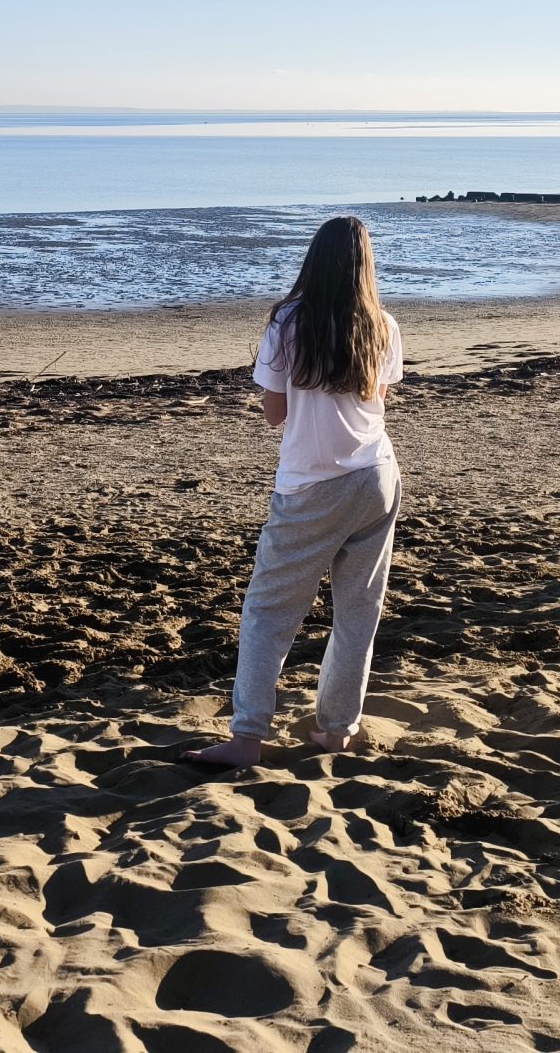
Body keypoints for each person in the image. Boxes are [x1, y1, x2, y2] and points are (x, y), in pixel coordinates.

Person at [184, 215, 404, 770]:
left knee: (268, 611)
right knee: (358, 610)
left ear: (314, 259)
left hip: (311, 483)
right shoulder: (382, 324)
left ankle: (247, 737)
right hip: (376, 474)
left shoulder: (288, 321)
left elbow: (274, 412)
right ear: (365, 264)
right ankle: (336, 731)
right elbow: (377, 397)